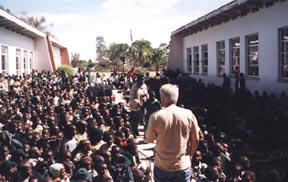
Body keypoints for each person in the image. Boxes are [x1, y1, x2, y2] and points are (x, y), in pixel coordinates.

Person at [145, 84, 201, 182]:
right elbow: (196, 138)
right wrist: (190, 156)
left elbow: (149, 139)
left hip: (162, 166)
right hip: (182, 165)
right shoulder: (188, 114)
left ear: (162, 99)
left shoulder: (155, 116)